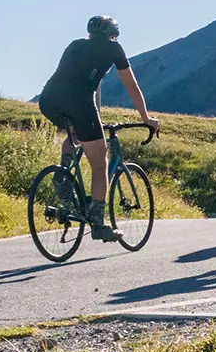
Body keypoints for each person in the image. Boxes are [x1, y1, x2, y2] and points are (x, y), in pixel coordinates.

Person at [36, 15, 160, 241]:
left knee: (74, 134)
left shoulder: (75, 45)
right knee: (100, 162)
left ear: (90, 33)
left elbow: (68, 77)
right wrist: (145, 117)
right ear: (113, 35)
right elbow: (131, 84)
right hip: (80, 102)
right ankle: (98, 223)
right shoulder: (113, 48)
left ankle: (63, 176)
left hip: (49, 100)